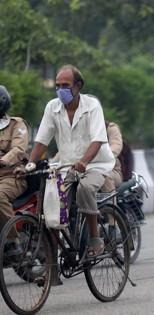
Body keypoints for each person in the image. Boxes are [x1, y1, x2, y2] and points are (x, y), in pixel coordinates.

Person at [28, 65, 115, 258]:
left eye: (65, 85)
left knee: (85, 188)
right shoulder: (52, 107)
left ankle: (95, 238)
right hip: (67, 167)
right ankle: (53, 264)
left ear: (78, 86)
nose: (61, 90)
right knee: (52, 203)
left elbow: (98, 140)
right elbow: (42, 140)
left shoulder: (92, 106)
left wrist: (84, 162)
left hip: (95, 164)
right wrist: (30, 164)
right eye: (57, 86)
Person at [0, 86, 29, 257]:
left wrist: (3, 160)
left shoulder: (16, 124)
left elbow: (18, 148)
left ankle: (12, 241)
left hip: (12, 177)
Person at [101, 121, 124, 192]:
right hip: (83, 171)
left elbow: (116, 146)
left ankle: (110, 202)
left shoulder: (110, 128)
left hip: (111, 170)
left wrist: (98, 158)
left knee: (103, 176)